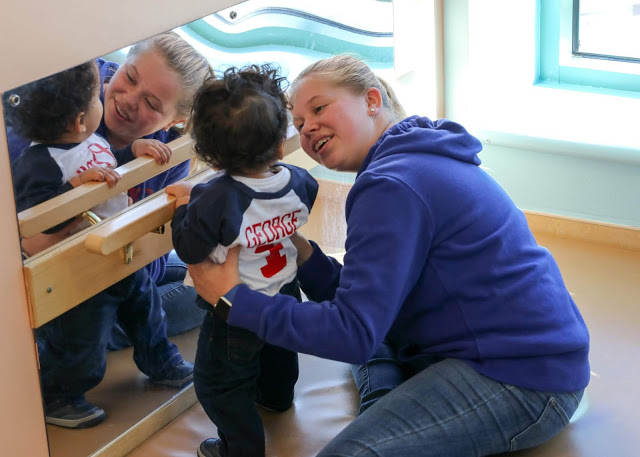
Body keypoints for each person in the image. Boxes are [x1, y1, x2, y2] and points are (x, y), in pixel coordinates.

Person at [184, 55, 591, 457]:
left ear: (372, 100)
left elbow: (352, 334)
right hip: (496, 345)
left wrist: (234, 299)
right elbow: (366, 298)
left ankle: (387, 413)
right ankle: (385, 407)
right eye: (300, 122)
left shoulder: (392, 185)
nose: (308, 129)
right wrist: (303, 253)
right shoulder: (414, 154)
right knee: (373, 334)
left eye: (319, 108)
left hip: (522, 376)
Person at [7, 31, 212, 428]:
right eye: (129, 77)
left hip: (120, 260)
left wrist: (129, 156)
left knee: (191, 281)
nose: (129, 100)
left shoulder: (164, 150)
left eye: (152, 103)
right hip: (68, 273)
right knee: (183, 299)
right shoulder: (57, 115)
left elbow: (150, 248)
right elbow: (33, 235)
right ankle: (65, 375)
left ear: (176, 121)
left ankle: (151, 353)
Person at [166, 64, 318, 457]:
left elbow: (190, 250)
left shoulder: (215, 198)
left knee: (220, 385)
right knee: (279, 351)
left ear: (213, 159)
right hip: (285, 290)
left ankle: (241, 449)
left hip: (236, 309)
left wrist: (183, 205)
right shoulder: (301, 181)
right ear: (280, 146)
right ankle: (277, 397)